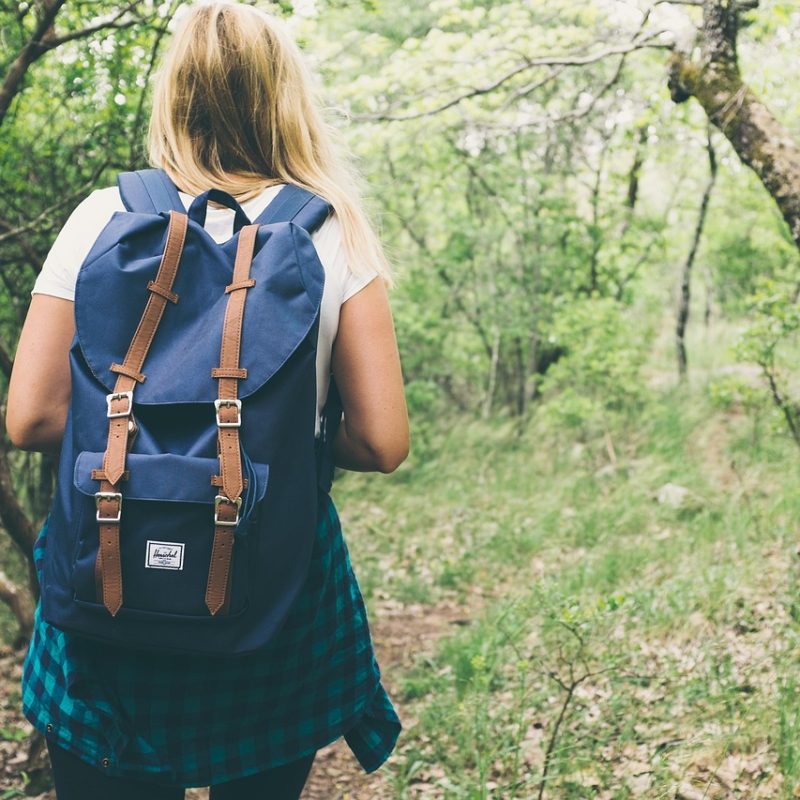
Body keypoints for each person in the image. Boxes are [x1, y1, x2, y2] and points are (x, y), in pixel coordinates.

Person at [5, 3, 409, 798]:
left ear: (174, 97)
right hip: (270, 590)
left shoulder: (103, 218)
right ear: (283, 97)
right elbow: (383, 443)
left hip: (108, 585)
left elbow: (31, 418)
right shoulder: (333, 234)